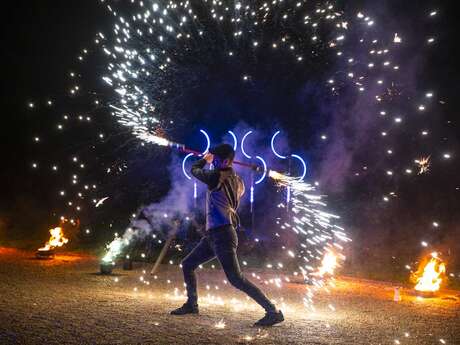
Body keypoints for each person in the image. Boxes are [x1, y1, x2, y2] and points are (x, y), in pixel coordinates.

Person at [170, 143, 284, 327]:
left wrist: (204, 160)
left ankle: (273, 311)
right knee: (187, 264)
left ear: (225, 160)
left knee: (236, 279)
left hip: (222, 235)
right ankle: (192, 304)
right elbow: (231, 189)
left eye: (215, 159)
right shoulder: (238, 180)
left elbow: (194, 170)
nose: (213, 161)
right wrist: (215, 160)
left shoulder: (216, 176)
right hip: (214, 235)